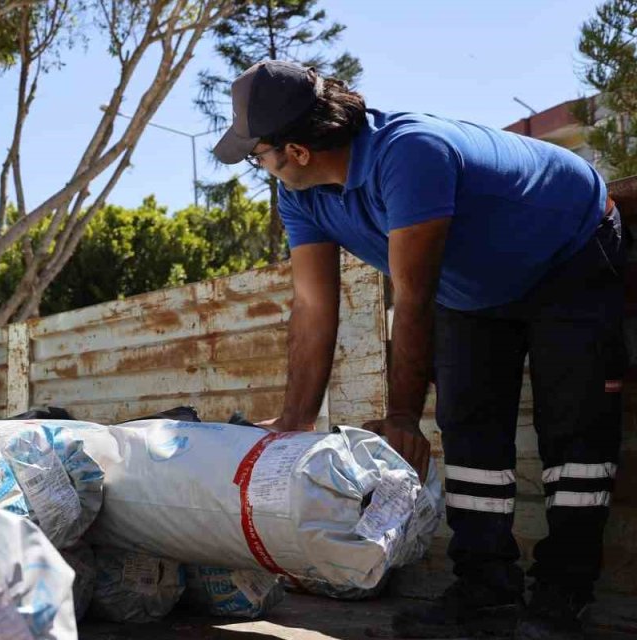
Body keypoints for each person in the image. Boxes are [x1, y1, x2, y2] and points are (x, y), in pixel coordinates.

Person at [212, 60, 623, 640]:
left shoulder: (409, 153)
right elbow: (312, 307)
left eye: (258, 151)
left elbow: (412, 296)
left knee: (574, 430)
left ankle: (565, 591)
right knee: (469, 430)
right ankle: (486, 587)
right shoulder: (299, 198)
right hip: (473, 286)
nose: (257, 163)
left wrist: (402, 415)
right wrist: (296, 420)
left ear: (297, 150)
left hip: (568, 250)